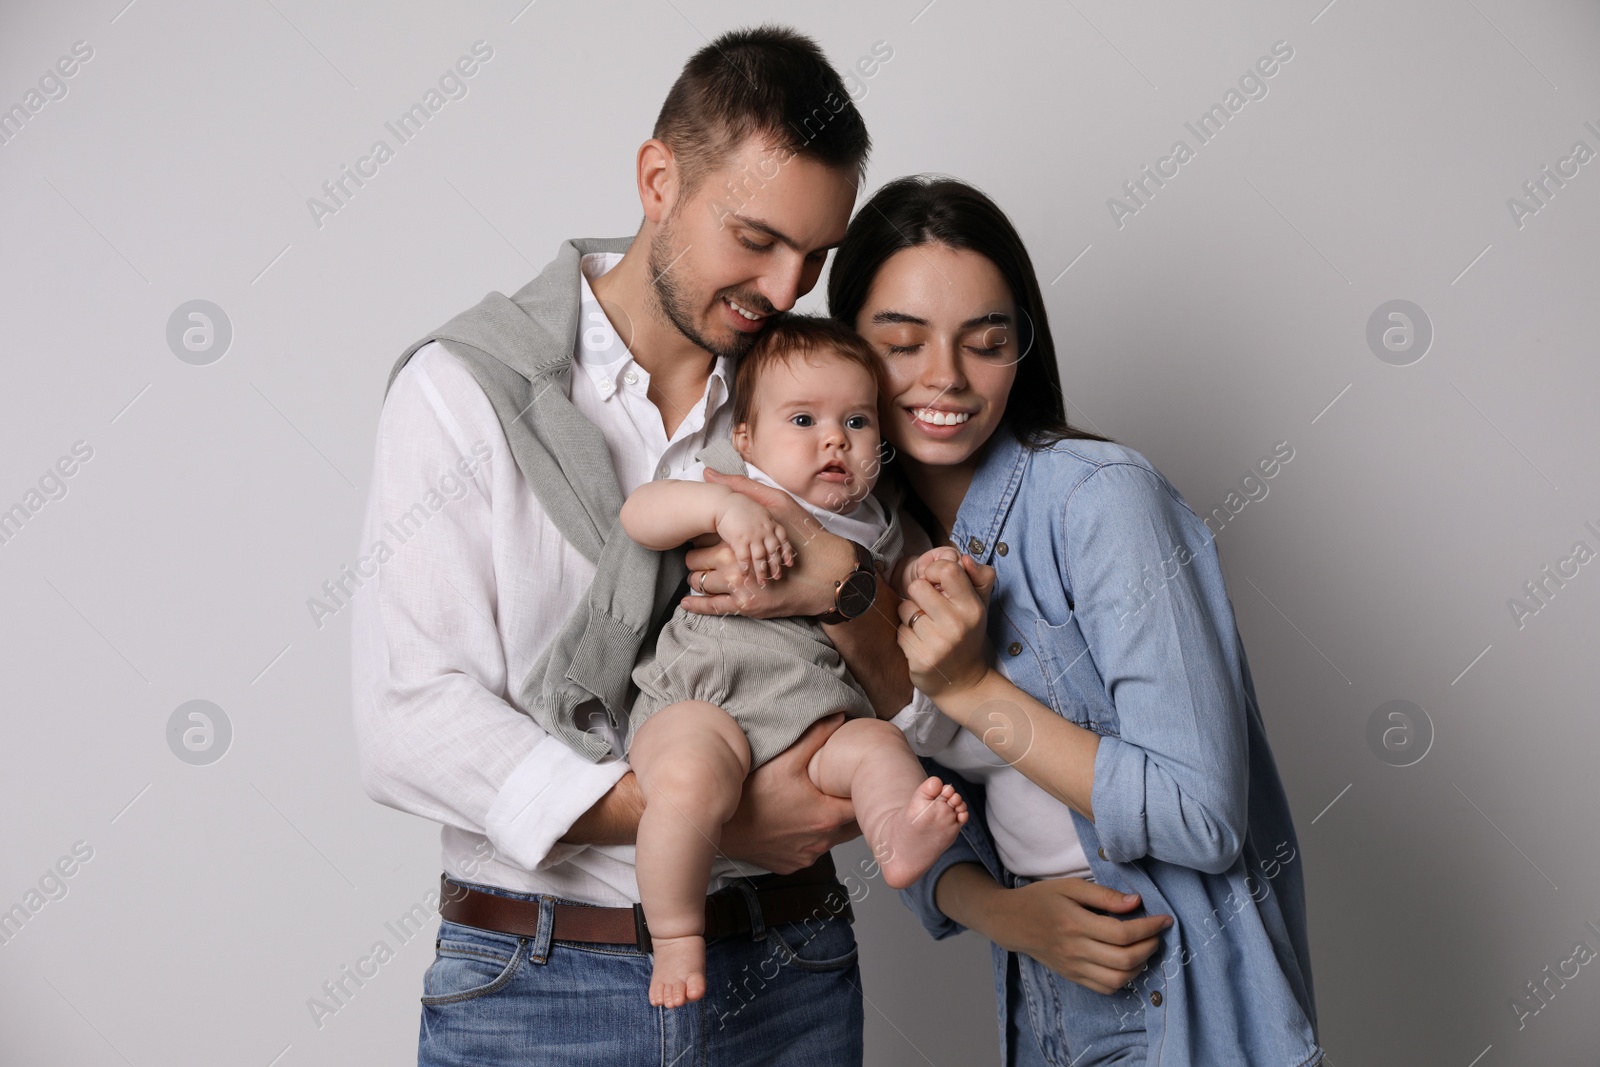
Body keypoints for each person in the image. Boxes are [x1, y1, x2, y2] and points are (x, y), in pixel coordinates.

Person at [351, 27, 909, 1065]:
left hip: (791, 966)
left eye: (816, 255)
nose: (786, 287)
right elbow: (407, 714)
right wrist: (692, 812)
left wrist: (842, 581)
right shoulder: (463, 390)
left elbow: (910, 677)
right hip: (537, 980)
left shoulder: (815, 406)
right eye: (755, 238)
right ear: (659, 179)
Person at [826, 175, 1322, 1066]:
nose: (944, 376)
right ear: (847, 348)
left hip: (1172, 984)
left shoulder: (1102, 500)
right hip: (1043, 986)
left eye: (986, 341)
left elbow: (1201, 813)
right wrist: (1001, 910)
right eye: (902, 342)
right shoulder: (866, 547)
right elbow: (889, 794)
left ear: (1023, 349)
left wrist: (973, 689)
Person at [619, 315, 968, 1007]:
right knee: (687, 782)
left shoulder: (885, 524)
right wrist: (719, 509)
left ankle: (897, 834)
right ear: (746, 436)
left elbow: (897, 626)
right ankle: (678, 933)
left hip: (815, 717)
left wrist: (933, 575)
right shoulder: (737, 483)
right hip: (707, 699)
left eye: (859, 421)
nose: (835, 438)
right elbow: (640, 514)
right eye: (803, 418)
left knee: (875, 745)